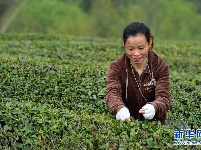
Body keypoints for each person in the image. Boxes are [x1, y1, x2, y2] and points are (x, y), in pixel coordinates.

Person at [106, 22, 170, 125]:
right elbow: (112, 93)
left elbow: (164, 97)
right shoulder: (116, 67)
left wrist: (155, 107)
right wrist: (119, 108)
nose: (136, 54)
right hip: (127, 125)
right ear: (123, 43)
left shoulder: (160, 67)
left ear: (150, 42)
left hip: (156, 128)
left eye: (141, 48)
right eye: (130, 49)